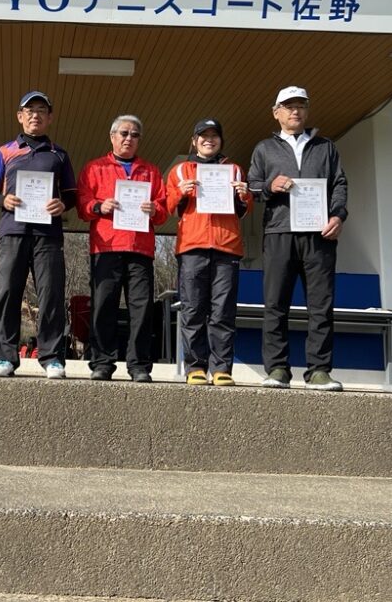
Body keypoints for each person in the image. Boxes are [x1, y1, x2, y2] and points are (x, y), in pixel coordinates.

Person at [247, 86, 348, 391]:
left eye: (301, 105)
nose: (295, 111)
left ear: (307, 110)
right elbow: (252, 186)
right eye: (289, 106)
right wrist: (270, 185)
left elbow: (339, 183)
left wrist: (338, 215)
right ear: (276, 112)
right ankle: (277, 369)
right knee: (275, 304)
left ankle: (319, 371)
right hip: (278, 232)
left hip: (319, 235)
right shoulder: (264, 148)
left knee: (321, 305)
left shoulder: (325, 147)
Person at [0, 90, 77, 379]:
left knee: (51, 294)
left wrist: (63, 204)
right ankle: (5, 358)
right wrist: (4, 200)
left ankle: (52, 359)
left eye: (41, 110)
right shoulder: (5, 151)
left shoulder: (59, 154)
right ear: (20, 116)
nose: (35, 115)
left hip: (48, 235)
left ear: (50, 118)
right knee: (7, 293)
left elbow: (72, 195)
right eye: (29, 110)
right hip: (13, 232)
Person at [77, 115, 168, 383]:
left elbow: (164, 210)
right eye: (124, 133)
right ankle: (102, 362)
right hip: (106, 246)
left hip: (140, 249)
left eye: (135, 135)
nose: (129, 138)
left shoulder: (151, 171)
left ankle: (139, 365)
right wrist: (99, 206)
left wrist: (155, 209)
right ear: (112, 136)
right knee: (103, 305)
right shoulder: (95, 168)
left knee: (141, 308)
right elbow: (82, 204)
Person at [166, 119, 253, 387]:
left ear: (221, 141)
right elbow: (169, 207)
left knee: (223, 311)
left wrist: (244, 195)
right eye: (203, 136)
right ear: (194, 141)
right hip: (192, 247)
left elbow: (243, 211)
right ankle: (195, 367)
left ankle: (221, 368)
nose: (209, 140)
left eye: (214, 136)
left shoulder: (234, 170)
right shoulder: (180, 170)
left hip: (227, 247)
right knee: (193, 309)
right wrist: (180, 193)